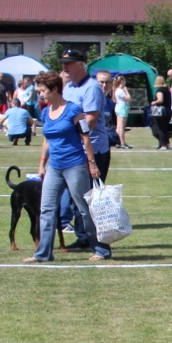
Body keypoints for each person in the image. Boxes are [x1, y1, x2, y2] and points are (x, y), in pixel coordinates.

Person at [25, 71, 101, 263]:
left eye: (42, 91)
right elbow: (47, 140)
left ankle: (101, 249)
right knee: (46, 209)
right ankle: (43, 254)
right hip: (54, 167)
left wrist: (91, 163)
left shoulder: (74, 110)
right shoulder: (45, 112)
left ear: (54, 89)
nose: (40, 94)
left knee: (84, 209)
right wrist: (42, 163)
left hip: (75, 165)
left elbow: (85, 137)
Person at [61, 49, 111, 259]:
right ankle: (83, 238)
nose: (65, 67)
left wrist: (66, 132)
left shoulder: (92, 88)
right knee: (76, 198)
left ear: (81, 64)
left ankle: (100, 244)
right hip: (73, 149)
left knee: (91, 199)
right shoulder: (68, 88)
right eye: (63, 63)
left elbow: (89, 121)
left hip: (94, 149)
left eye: (69, 63)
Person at [150, 76, 171, 150]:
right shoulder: (167, 90)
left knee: (159, 129)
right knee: (164, 128)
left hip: (161, 112)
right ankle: (166, 143)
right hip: (168, 111)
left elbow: (160, 100)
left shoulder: (160, 90)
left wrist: (154, 102)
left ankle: (163, 144)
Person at [112, 76, 132, 148]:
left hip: (119, 107)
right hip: (122, 108)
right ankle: (122, 143)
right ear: (122, 81)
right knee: (122, 127)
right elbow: (129, 98)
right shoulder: (120, 91)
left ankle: (117, 142)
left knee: (118, 127)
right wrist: (126, 90)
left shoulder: (116, 90)